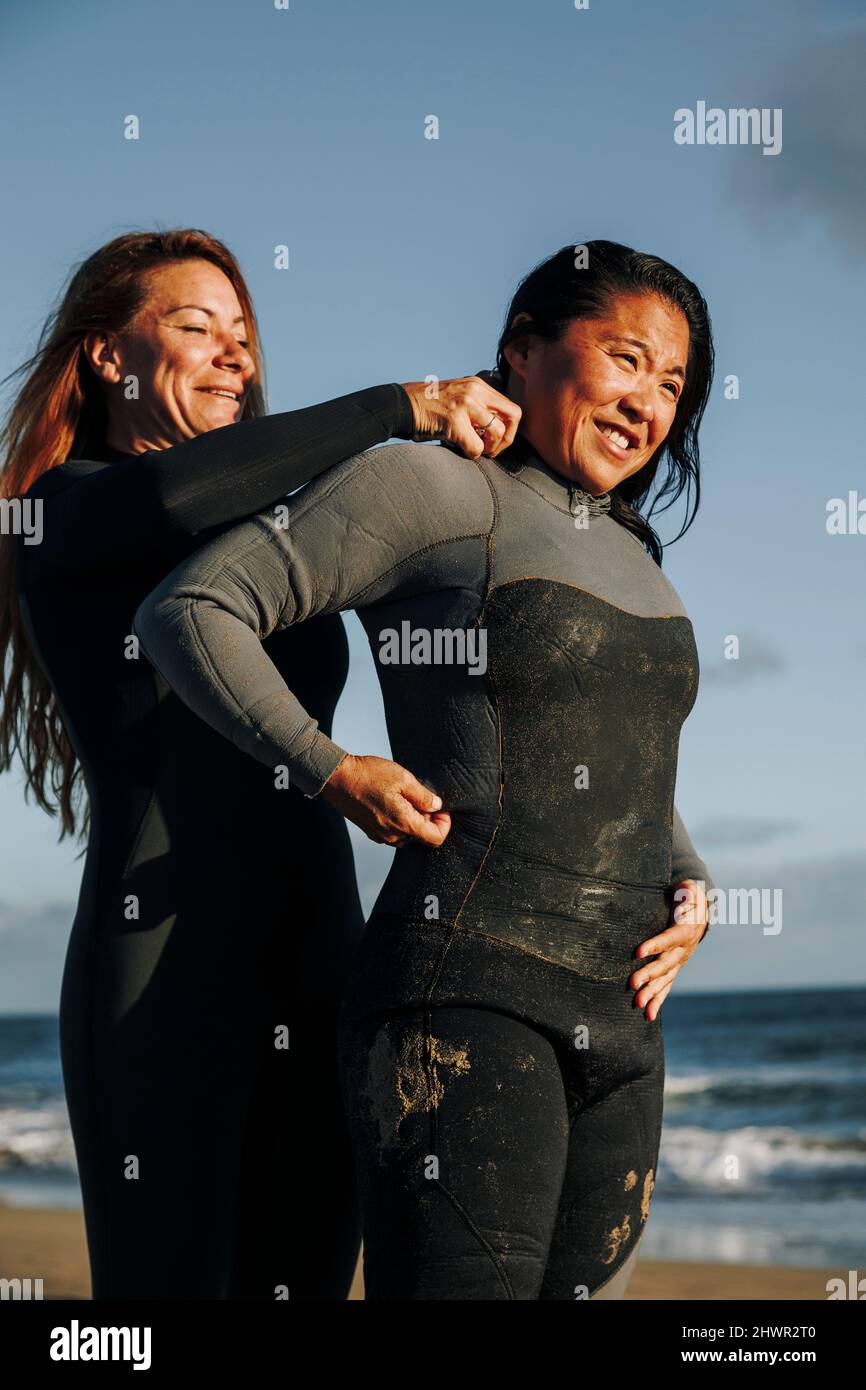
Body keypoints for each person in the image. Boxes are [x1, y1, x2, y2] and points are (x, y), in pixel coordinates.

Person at [133, 239, 715, 1300]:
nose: (648, 401)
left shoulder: (634, 553)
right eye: (626, 359)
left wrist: (691, 880)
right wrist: (328, 766)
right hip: (466, 1001)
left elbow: (624, 763)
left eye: (671, 383)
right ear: (523, 351)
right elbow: (192, 610)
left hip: (625, 1026)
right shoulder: (433, 486)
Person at [0, 226, 518, 1300]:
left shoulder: (265, 539)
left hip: (318, 965)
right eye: (196, 328)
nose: (236, 353)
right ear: (108, 357)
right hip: (162, 979)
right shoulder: (60, 512)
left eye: (244, 332)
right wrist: (398, 404)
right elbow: (169, 500)